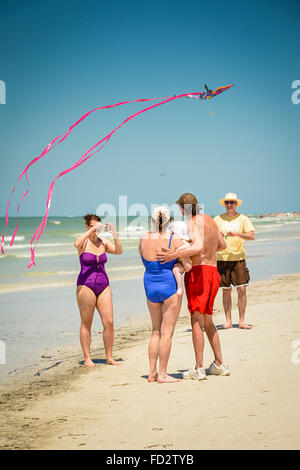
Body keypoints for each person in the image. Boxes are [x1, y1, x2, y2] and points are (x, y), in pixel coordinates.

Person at [157, 193, 230, 380]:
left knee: (196, 320)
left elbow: (197, 247)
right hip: (214, 273)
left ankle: (198, 368)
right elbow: (222, 245)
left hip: (200, 273)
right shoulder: (211, 221)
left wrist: (173, 254)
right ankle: (219, 364)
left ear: (183, 209)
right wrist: (203, 249)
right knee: (207, 320)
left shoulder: (192, 222)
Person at [139, 206, 184, 383]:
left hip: (149, 283)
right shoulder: (175, 239)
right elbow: (189, 260)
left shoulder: (143, 238)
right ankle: (163, 374)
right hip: (168, 285)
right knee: (167, 333)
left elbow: (143, 260)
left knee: (155, 331)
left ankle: (151, 373)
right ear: (169, 220)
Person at [74, 214, 123, 367]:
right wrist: (92, 231)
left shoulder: (104, 243)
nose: (97, 229)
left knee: (109, 321)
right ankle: (87, 358)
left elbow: (119, 251)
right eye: (94, 226)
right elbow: (76, 244)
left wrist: (115, 235)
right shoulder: (84, 242)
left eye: (98, 226)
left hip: (104, 284)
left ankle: (109, 356)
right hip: (85, 285)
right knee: (86, 323)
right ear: (88, 227)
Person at [214, 193, 255, 329]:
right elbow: (210, 237)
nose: (229, 205)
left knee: (242, 289)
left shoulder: (243, 219)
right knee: (225, 291)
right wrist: (217, 236)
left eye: (232, 202)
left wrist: (238, 234)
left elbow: (251, 236)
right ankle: (228, 321)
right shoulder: (218, 219)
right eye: (227, 202)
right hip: (222, 259)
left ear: (236, 204)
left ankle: (242, 321)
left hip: (238, 258)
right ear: (224, 204)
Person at [168, 218, 192, 295]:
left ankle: (180, 288)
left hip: (184, 262)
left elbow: (187, 246)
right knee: (174, 269)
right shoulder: (177, 240)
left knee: (176, 270)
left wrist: (176, 250)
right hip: (178, 260)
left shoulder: (184, 241)